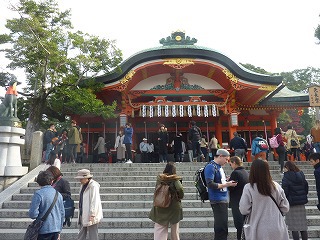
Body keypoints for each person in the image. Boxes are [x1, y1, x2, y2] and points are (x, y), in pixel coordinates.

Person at [239, 159, 290, 240]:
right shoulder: (276, 186)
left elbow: (244, 210)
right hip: (277, 226)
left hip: (257, 228)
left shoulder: (249, 188)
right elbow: (285, 208)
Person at [204, 149, 237, 240]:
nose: (227, 162)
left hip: (223, 197)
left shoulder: (219, 167)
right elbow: (210, 184)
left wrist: (226, 180)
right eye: (226, 159)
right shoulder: (211, 166)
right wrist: (227, 184)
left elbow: (218, 181)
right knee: (221, 226)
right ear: (220, 156)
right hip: (217, 199)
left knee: (223, 225)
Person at [149, 162, 184, 240]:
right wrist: (180, 196)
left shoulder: (159, 179)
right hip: (173, 207)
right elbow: (180, 189)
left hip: (160, 205)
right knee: (175, 230)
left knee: (160, 229)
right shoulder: (175, 180)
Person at [29, 170, 65, 240]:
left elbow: (33, 214)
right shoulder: (58, 194)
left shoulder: (38, 194)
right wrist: (59, 230)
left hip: (43, 229)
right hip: (56, 229)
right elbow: (62, 213)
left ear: (39, 182)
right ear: (52, 181)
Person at [282, 161, 308, 240]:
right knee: (303, 226)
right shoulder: (301, 174)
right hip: (301, 203)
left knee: (294, 227)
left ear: (287, 167)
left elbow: (285, 191)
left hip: (291, 203)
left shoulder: (286, 177)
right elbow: (306, 186)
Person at [75, 169, 103, 240]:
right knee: (81, 232)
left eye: (81, 178)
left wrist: (92, 213)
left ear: (86, 178)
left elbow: (95, 200)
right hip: (83, 212)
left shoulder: (93, 186)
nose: (80, 180)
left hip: (90, 214)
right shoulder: (83, 185)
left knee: (93, 234)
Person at [228, 156, 249, 240]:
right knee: (244, 223)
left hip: (237, 201)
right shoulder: (245, 172)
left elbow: (231, 187)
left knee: (238, 224)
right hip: (245, 200)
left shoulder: (235, 173)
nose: (231, 166)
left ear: (234, 163)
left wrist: (227, 183)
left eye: (231, 164)